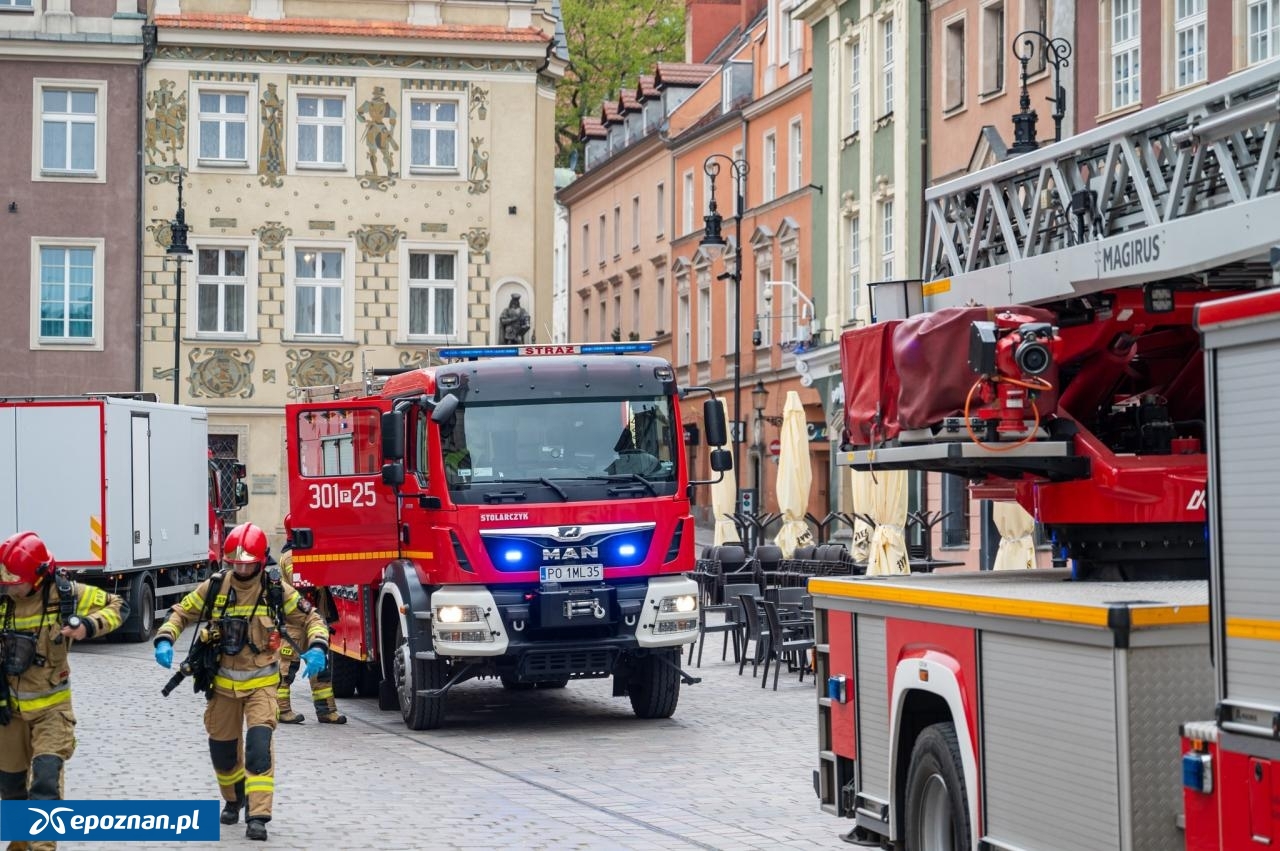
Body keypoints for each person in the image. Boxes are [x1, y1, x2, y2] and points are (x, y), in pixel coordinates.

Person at [153, 523, 328, 842]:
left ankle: (258, 815)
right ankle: (234, 798)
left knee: (259, 748)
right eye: (235, 562)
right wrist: (165, 638)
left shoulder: (275, 589)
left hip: (262, 683)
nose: (241, 568)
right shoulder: (216, 586)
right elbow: (182, 612)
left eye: (247, 563)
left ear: (261, 561)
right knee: (222, 752)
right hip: (222, 686)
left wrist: (317, 647)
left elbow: (311, 618)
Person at [0, 531, 127, 851]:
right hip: (8, 712)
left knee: (45, 780)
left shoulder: (65, 594)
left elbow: (119, 605)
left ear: (37, 577)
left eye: (14, 580)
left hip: (52, 711)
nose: (8, 585)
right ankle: (20, 843)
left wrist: (89, 625)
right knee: (12, 790)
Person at [275, 516, 345, 725]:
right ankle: (282, 710)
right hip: (294, 623)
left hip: (313, 621)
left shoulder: (308, 554)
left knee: (321, 670)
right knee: (287, 669)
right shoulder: (290, 557)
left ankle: (326, 711)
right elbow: (302, 583)